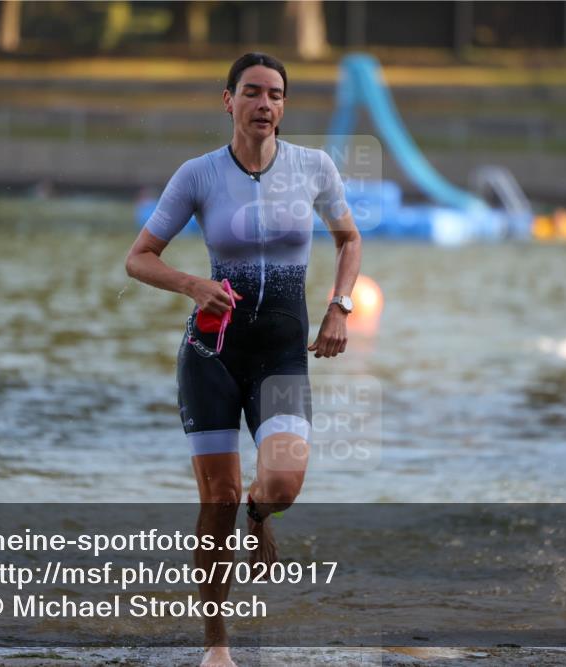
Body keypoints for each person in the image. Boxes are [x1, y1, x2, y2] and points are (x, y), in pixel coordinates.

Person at [124, 52, 361, 667]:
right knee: (217, 502)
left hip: (282, 351)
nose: (264, 104)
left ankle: (263, 514)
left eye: (275, 95)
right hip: (212, 352)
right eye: (252, 93)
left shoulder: (314, 167)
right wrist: (193, 285)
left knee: (281, 484)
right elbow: (139, 257)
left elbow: (349, 238)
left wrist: (339, 307)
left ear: (284, 107)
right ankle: (217, 646)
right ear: (227, 100)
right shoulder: (198, 175)